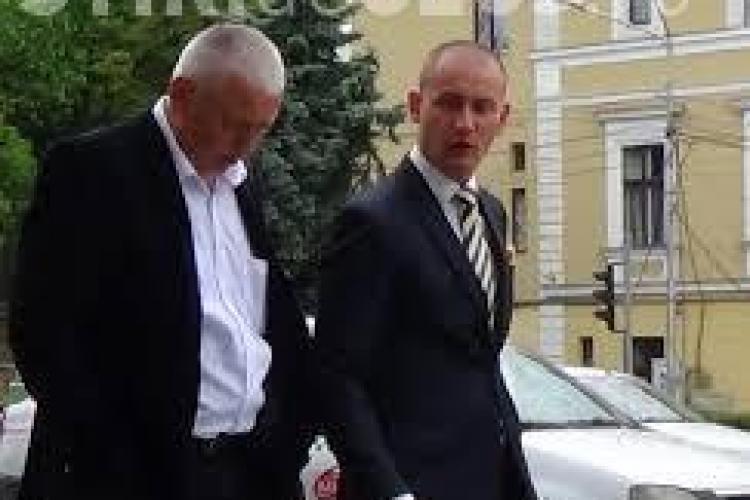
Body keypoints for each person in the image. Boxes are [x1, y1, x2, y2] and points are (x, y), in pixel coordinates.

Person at [10, 24, 312, 500]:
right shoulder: (93, 172)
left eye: (261, 129)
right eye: (233, 124)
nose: (245, 146)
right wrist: (108, 455)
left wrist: (287, 436)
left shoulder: (240, 185)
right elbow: (43, 333)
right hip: (135, 476)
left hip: (247, 470)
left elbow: (265, 317)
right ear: (182, 94)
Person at [315, 41, 538, 500]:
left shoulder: (491, 214)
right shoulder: (373, 222)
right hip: (410, 482)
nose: (465, 124)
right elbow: (337, 377)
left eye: (482, 108)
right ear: (417, 106)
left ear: (503, 117)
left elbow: (479, 356)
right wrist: (389, 490)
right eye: (449, 104)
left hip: (491, 477)